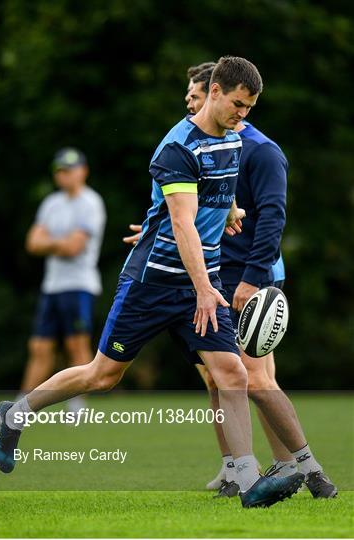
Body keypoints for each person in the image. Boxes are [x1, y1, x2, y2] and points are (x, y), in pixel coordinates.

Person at [0, 56, 304, 509]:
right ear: (214, 91)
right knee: (102, 376)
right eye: (238, 104)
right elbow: (182, 225)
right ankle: (15, 414)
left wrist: (231, 210)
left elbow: (219, 188)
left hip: (202, 281)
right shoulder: (176, 148)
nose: (243, 114)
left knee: (232, 372)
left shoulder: (232, 139)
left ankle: (249, 479)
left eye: (250, 108)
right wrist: (201, 287)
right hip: (153, 282)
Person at [124, 63, 338, 499]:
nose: (188, 101)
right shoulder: (212, 143)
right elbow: (198, 209)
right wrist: (156, 231)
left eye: (194, 94)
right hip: (218, 273)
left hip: (247, 278)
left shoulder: (259, 149)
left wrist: (253, 279)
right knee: (223, 377)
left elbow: (274, 216)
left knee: (251, 378)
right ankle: (239, 469)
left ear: (214, 94)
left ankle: (307, 471)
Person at [20, 147, 106, 413]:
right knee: (39, 347)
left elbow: (74, 248)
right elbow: (32, 243)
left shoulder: (91, 202)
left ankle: (77, 405)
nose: (64, 176)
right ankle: (19, 405)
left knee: (76, 344)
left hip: (79, 285)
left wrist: (50, 242)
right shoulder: (51, 203)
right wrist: (60, 242)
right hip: (52, 285)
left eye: (69, 170)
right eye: (60, 171)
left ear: (83, 171)